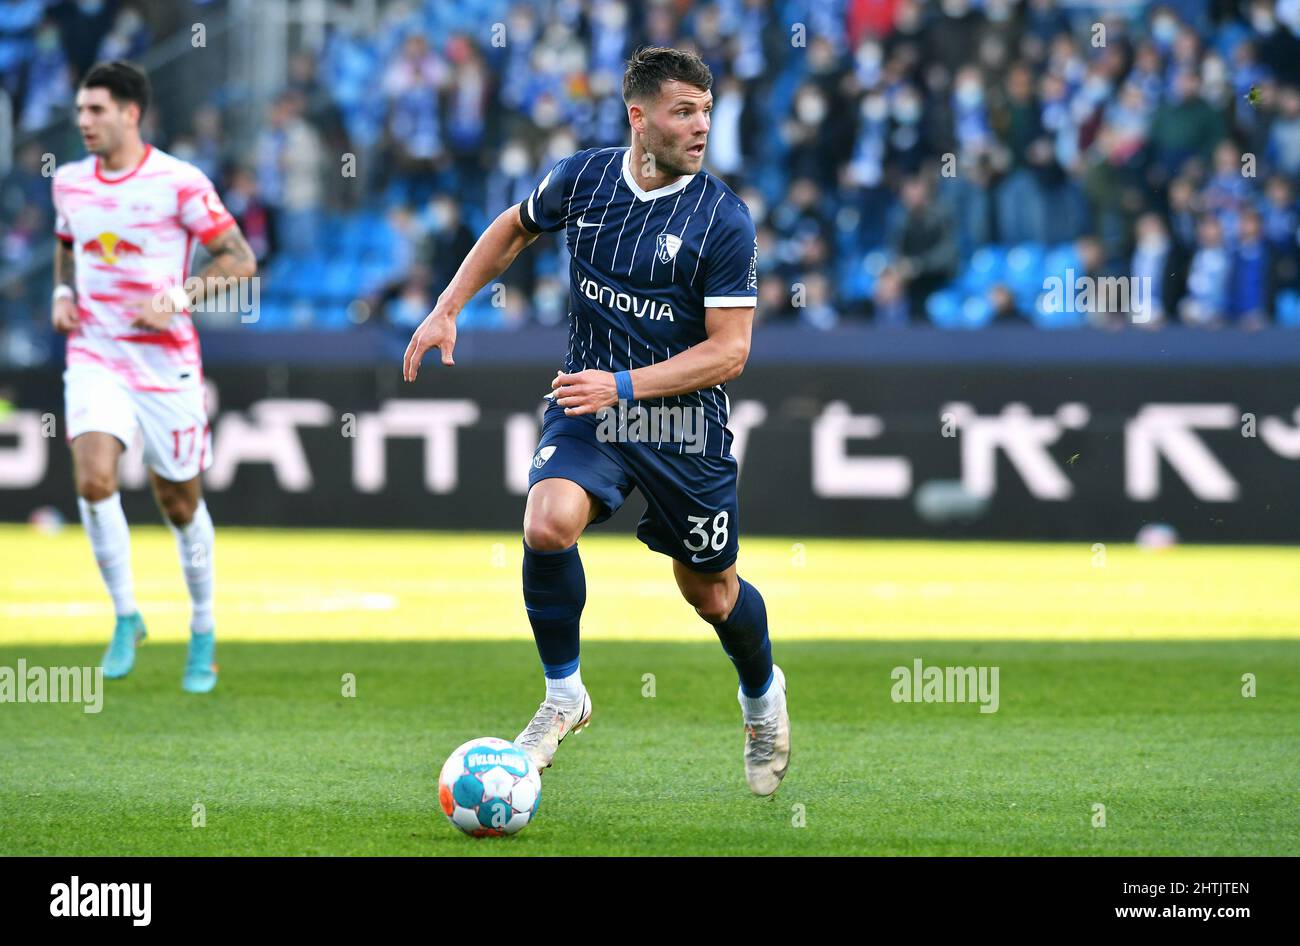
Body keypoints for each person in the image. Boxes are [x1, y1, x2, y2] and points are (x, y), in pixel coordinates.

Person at [403, 47, 789, 796]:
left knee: (710, 593)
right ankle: (563, 695)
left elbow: (729, 352)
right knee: (546, 524)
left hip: (683, 428)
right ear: (638, 118)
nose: (701, 125)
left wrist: (626, 385)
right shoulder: (582, 179)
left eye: (707, 110)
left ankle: (762, 696)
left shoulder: (723, 221)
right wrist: (448, 307)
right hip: (590, 405)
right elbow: (514, 227)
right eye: (685, 111)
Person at [51, 61, 257, 692]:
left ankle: (201, 628)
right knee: (93, 479)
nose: (83, 121)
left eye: (96, 111)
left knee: (178, 501)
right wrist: (63, 291)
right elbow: (68, 244)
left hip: (165, 362)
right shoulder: (68, 183)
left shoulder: (178, 181)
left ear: (130, 113)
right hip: (93, 351)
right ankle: (126, 615)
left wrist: (175, 298)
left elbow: (240, 261)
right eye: (80, 111)